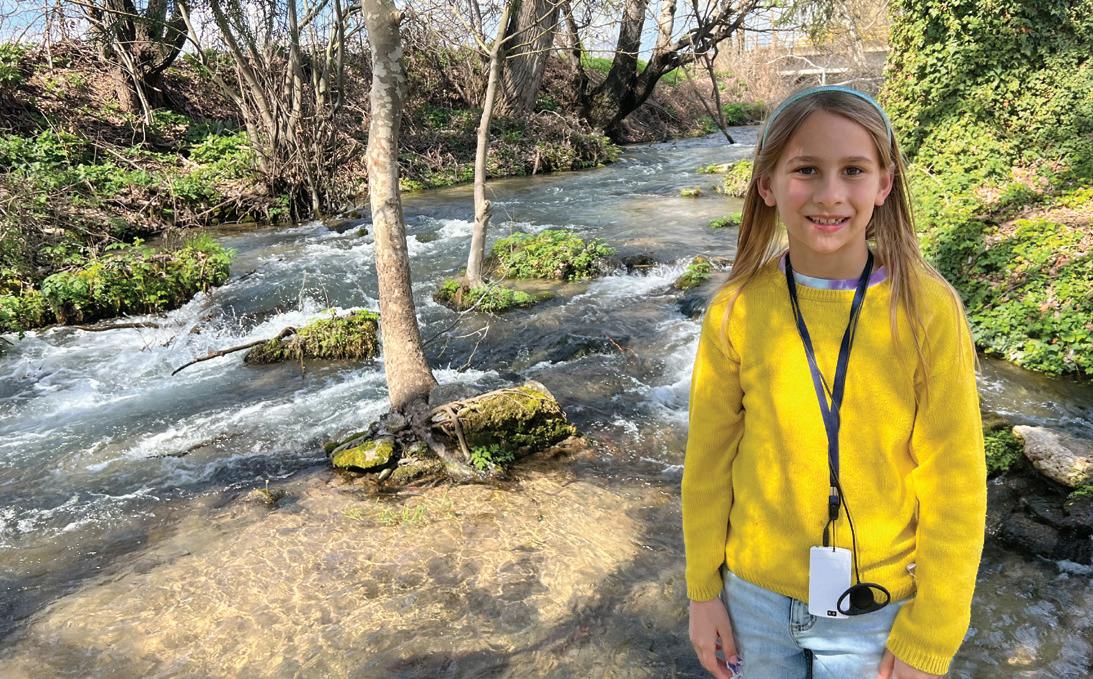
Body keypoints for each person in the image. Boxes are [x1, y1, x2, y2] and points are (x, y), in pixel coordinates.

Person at [681, 85, 987, 679]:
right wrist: (702, 590)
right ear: (767, 185)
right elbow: (708, 460)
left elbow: (956, 482)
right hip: (751, 600)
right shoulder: (736, 308)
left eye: (853, 170)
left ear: (884, 184)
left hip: (876, 609)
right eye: (806, 170)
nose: (830, 194)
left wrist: (933, 629)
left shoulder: (927, 309)